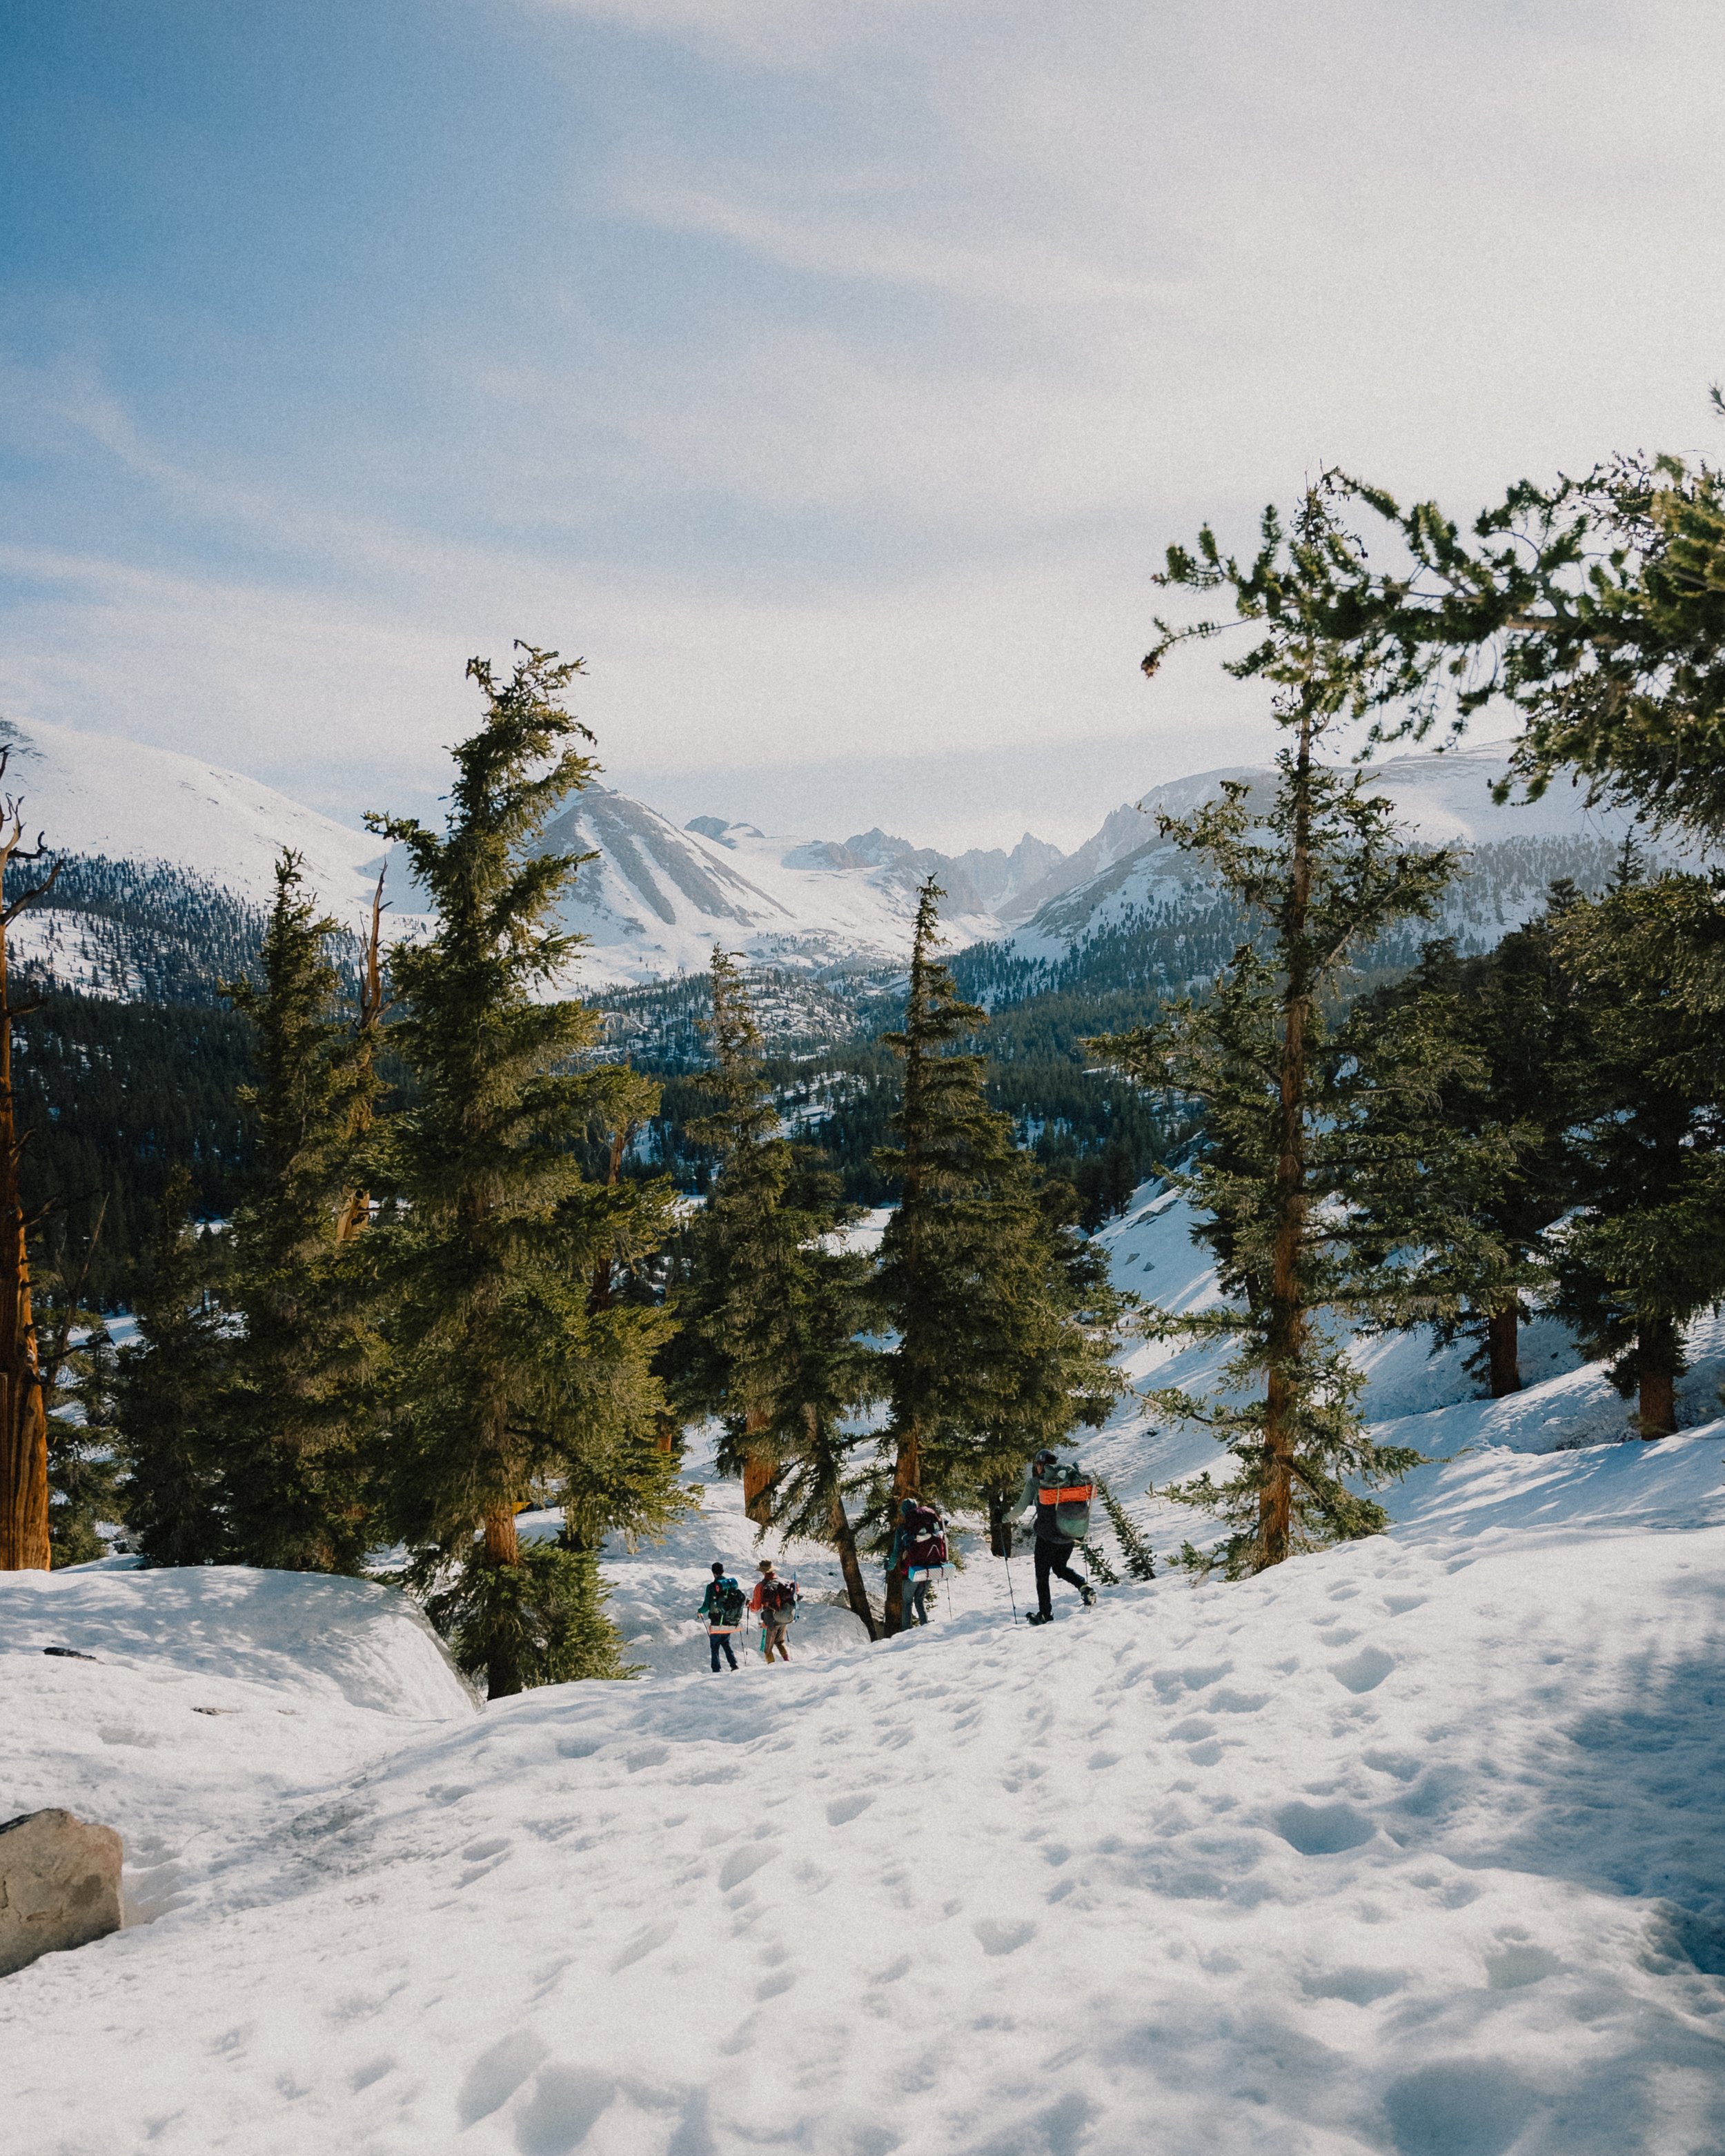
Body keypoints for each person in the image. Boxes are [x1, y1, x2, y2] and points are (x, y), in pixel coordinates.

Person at [1018, 1448, 1096, 1627]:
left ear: (1039, 1465)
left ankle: (1045, 1615)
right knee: (1060, 1568)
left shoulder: (1036, 1483)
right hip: (1068, 1535)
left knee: (1042, 1576)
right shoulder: (1067, 1481)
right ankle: (1084, 1587)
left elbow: (1019, 1510)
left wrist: (1003, 1519)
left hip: (1046, 1539)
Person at [886, 1496, 945, 1626]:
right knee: (919, 1599)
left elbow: (896, 1552)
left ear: (904, 1511)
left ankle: (906, 1631)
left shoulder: (903, 1529)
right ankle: (925, 1626)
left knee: (907, 1601)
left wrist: (889, 1567)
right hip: (931, 1566)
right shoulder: (930, 1524)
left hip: (913, 1569)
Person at [750, 1560, 798, 1662]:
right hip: (785, 1616)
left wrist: (749, 1604)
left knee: (767, 1649)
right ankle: (787, 1661)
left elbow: (756, 1607)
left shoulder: (760, 1586)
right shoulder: (783, 1583)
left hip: (772, 1620)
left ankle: (771, 1668)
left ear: (763, 1572)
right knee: (780, 1642)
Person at [700, 1561, 744, 1671]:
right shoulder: (730, 1586)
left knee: (714, 1646)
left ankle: (716, 1669)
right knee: (726, 1643)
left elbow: (706, 1605)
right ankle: (734, 1665)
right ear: (723, 1571)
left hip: (716, 1621)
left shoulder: (711, 1587)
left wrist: (699, 1611)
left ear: (713, 1573)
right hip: (729, 1620)